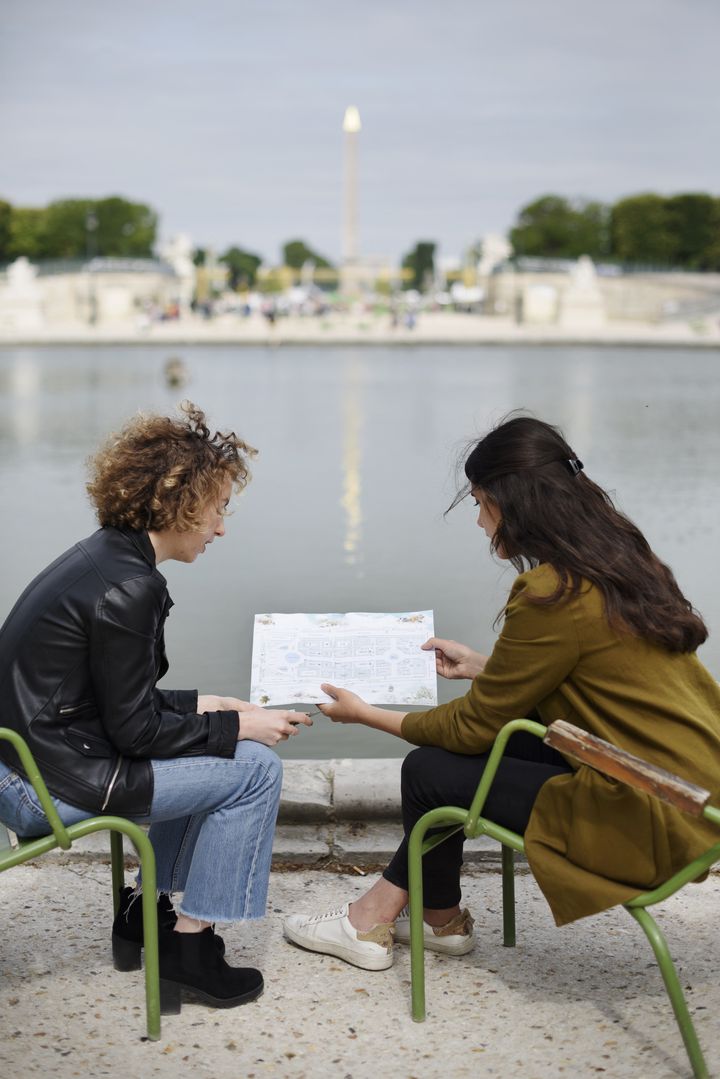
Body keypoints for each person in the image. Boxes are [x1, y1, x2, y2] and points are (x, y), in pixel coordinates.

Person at [283, 414, 720, 971]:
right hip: (691, 787)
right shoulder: (624, 559)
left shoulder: (551, 591)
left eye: (479, 503)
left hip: (651, 812)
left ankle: (377, 919)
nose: (480, 520)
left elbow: (472, 728)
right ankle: (435, 919)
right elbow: (601, 678)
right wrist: (487, 667)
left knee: (432, 770)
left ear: (510, 503)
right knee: (444, 765)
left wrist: (365, 714)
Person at [0, 402, 311, 1010]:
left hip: (30, 762)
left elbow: (98, 701)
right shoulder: (133, 586)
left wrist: (206, 702)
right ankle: (188, 949)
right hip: (44, 786)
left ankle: (149, 914)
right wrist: (237, 724)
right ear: (182, 503)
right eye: (218, 508)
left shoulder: (102, 556)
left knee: (216, 745)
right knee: (254, 770)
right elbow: (137, 732)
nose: (220, 528)